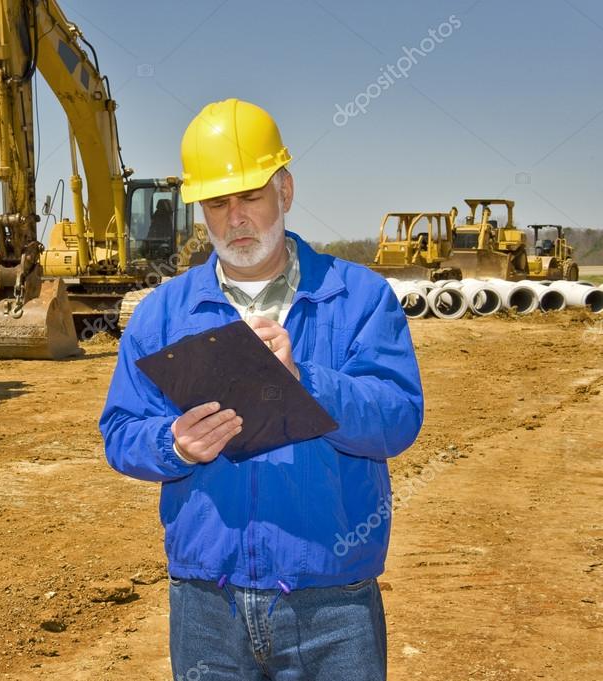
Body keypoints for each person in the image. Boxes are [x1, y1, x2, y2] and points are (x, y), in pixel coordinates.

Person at [99, 98, 424, 680]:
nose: (236, 218)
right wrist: (172, 444)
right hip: (206, 605)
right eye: (217, 203)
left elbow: (398, 418)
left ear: (285, 192)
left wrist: (307, 381)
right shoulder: (164, 314)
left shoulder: (358, 299)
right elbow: (120, 433)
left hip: (333, 604)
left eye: (250, 196)